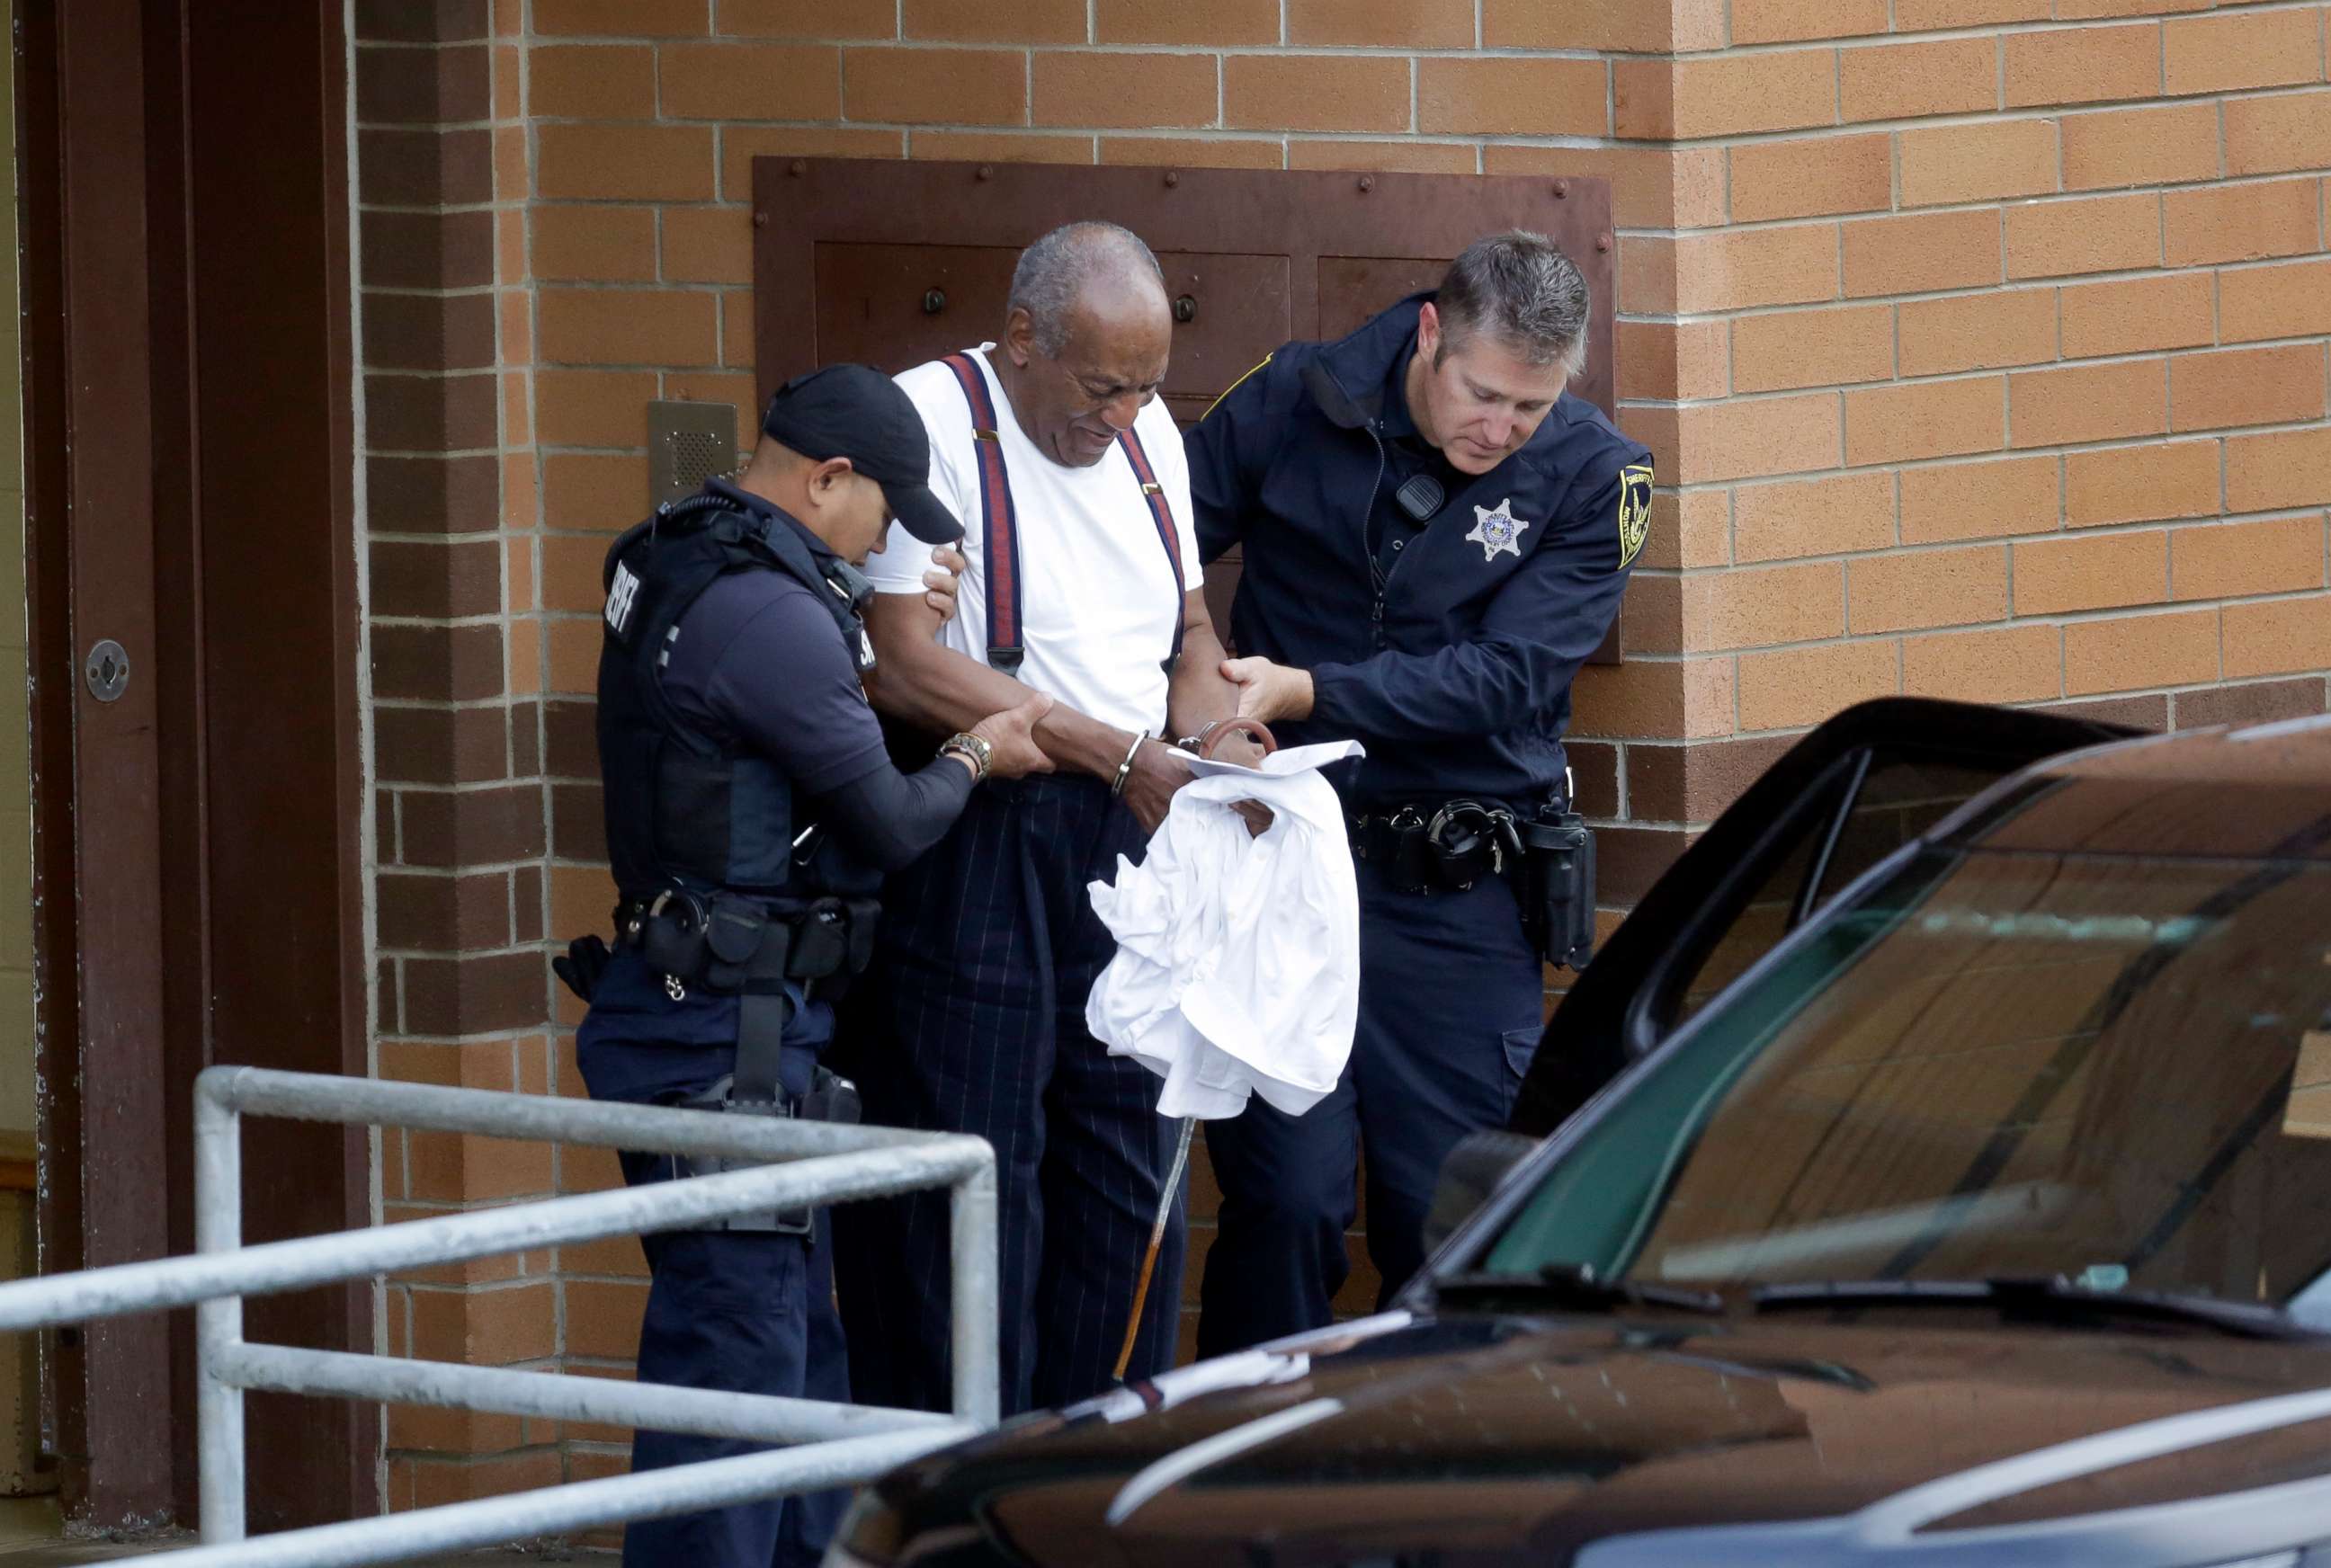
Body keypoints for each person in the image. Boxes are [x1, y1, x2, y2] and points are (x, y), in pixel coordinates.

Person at [564, 363, 1051, 1568]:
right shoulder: (772, 615)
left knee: (791, 1352)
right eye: (887, 512)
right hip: (722, 1036)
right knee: (734, 1367)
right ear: (828, 478)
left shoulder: (672, 552)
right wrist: (979, 754)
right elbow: (887, 819)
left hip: (703, 1011)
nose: (891, 540)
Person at [1183, 230, 1653, 1355]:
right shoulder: (1301, 396)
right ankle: (1248, 1492)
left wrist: (1306, 689)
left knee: (1450, 1222)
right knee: (1286, 1202)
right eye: (1483, 395)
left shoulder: (1597, 474)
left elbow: (1512, 677)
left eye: (1530, 409)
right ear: (1432, 335)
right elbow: (1150, 544)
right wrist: (1199, 686)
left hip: (1453, 891)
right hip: (1282, 860)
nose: (1501, 429)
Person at [833, 221, 1251, 1417]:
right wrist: (1109, 747)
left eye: (1143, 389)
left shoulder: (1147, 432)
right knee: (976, 1171)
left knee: (1127, 1153)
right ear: (1022, 338)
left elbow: (1190, 637)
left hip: (1130, 826)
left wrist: (1219, 734)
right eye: (1101, 386)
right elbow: (900, 663)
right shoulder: (930, 421)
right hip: (983, 830)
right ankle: (965, 1488)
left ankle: (1097, 1477)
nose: (1121, 415)